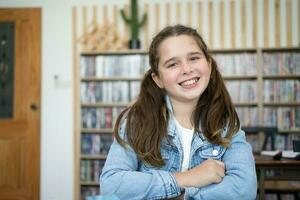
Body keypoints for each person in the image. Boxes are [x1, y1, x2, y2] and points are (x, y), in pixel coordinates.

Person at [100, 24, 257, 200]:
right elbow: (111, 185)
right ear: (158, 78)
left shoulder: (227, 123)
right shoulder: (136, 120)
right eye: (172, 64)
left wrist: (183, 197)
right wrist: (188, 178)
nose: (186, 69)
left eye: (194, 58)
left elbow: (244, 189)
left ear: (209, 64)